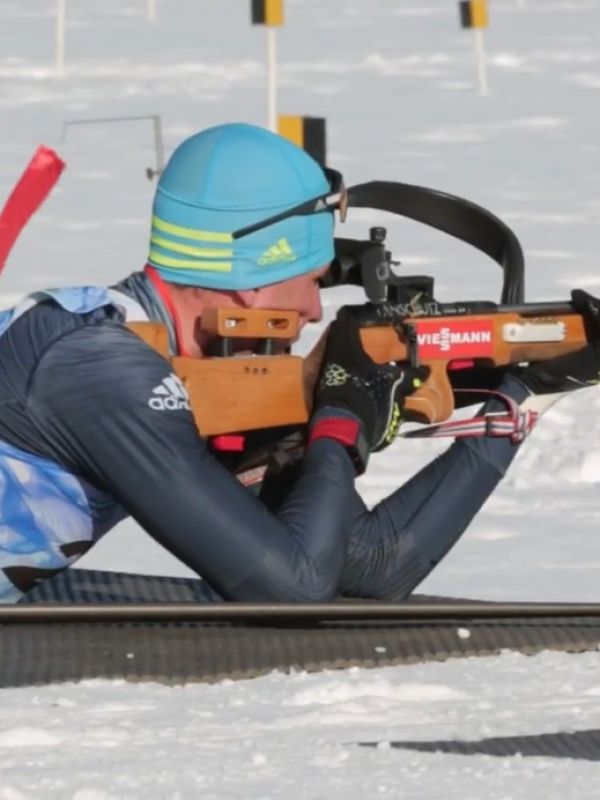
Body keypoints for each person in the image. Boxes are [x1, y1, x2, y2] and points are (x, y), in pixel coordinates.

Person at [0, 121, 598, 605]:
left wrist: (520, 394)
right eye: (312, 281)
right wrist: (340, 418)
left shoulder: (200, 369)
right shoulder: (101, 366)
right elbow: (290, 586)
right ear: (251, 284)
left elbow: (373, 565)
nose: (315, 310)